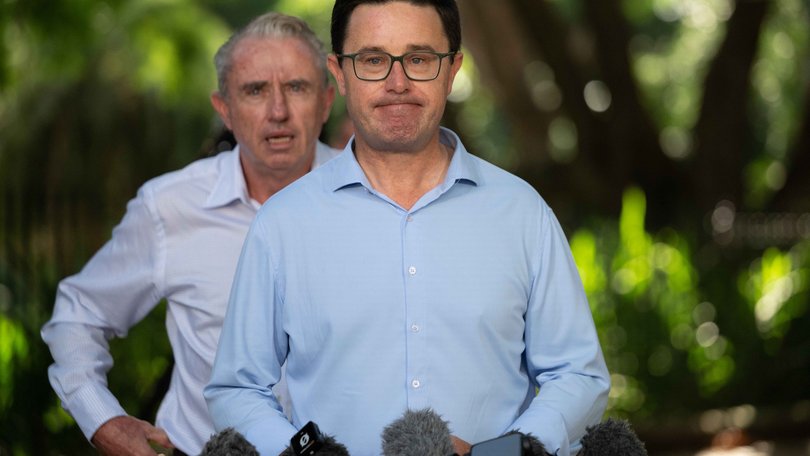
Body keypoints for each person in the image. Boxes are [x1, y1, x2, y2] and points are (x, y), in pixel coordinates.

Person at [205, 1, 610, 455]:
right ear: (340, 74)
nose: (397, 82)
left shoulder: (522, 213)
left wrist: (503, 453)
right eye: (372, 60)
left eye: (419, 59)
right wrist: (304, 452)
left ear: (452, 70)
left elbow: (577, 374)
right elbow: (237, 388)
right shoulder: (282, 224)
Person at [40, 12, 338, 456]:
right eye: (255, 91)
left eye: (296, 87)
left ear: (327, 101)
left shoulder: (372, 197)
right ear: (225, 110)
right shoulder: (170, 206)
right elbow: (79, 313)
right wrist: (101, 419)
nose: (278, 111)